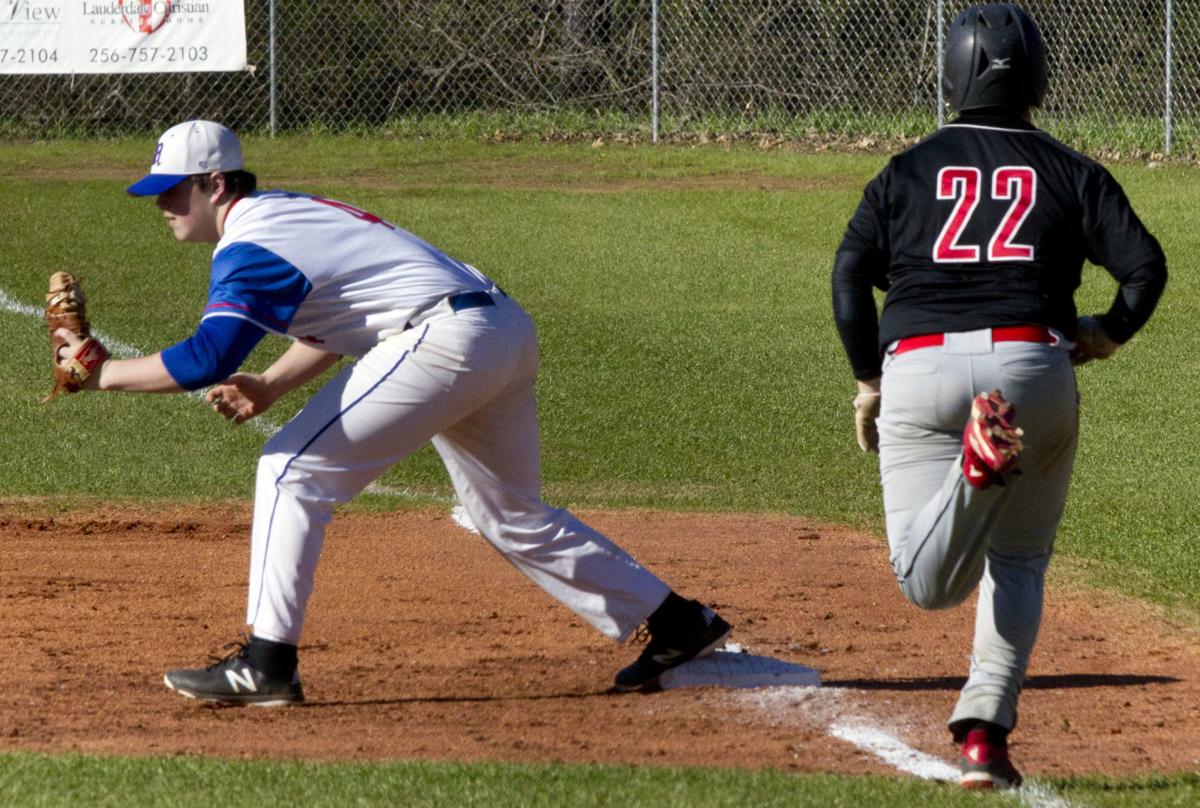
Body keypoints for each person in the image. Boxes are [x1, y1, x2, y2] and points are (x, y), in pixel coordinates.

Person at [55, 119, 731, 705]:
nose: (162, 205)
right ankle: (676, 623)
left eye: (173, 191)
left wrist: (100, 372)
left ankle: (265, 665)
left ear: (215, 185)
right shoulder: (285, 215)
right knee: (510, 514)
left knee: (292, 470)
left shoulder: (252, 241)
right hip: (496, 330)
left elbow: (206, 357)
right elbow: (340, 317)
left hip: (446, 338)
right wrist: (268, 385)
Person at [831, 3, 1166, 790]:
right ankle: (984, 733)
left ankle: (974, 471)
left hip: (920, 367)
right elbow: (1145, 267)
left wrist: (867, 377)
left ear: (951, 75)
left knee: (927, 583)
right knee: (1018, 559)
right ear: (1038, 80)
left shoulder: (905, 169)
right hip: (1034, 367)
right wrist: (1108, 333)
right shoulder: (1071, 168)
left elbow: (850, 276)